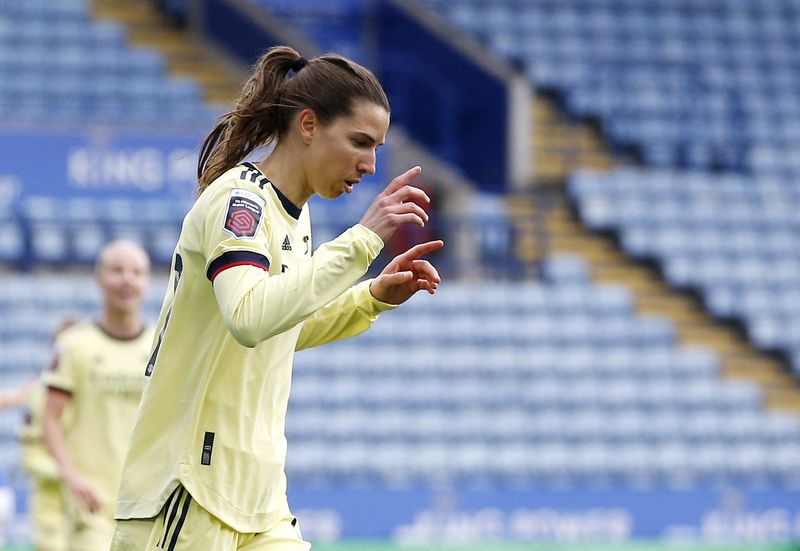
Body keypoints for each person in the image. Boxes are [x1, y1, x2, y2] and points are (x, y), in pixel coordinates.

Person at [110, 45, 443, 551]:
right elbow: (248, 317)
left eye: (377, 147)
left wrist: (371, 297)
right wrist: (363, 240)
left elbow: (281, 326)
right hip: (188, 491)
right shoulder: (239, 202)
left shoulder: (296, 215)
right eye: (359, 142)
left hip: (258, 497)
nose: (371, 165)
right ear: (308, 125)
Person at [42, 241, 153, 551]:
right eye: (117, 270)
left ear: (147, 282)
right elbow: (49, 418)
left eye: (136, 272)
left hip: (145, 502)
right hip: (91, 504)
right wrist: (72, 476)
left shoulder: (161, 345)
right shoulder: (74, 345)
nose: (127, 279)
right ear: (99, 278)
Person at [18, 318, 81, 551]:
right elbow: (30, 458)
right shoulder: (39, 398)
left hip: (94, 510)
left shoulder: (95, 394)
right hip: (52, 516)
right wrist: (72, 475)